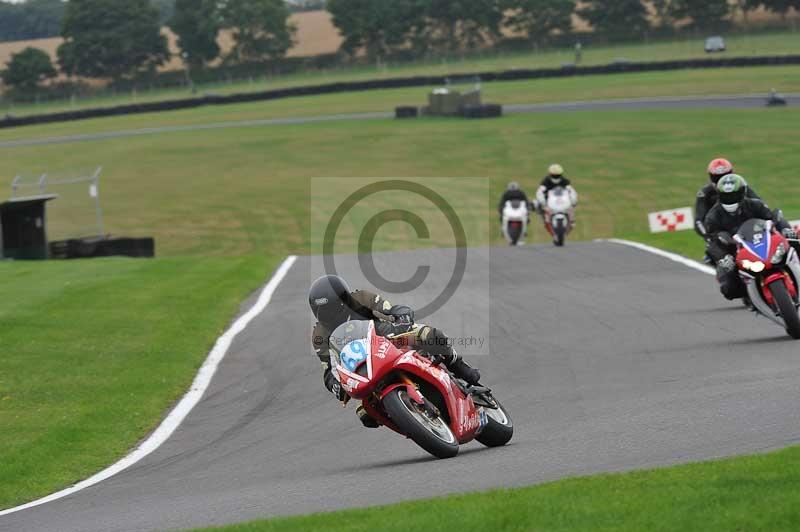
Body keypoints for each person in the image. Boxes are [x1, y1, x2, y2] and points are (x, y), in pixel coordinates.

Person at [308, 274, 481, 427]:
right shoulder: (319, 333)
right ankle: (409, 421)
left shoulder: (361, 298)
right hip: (362, 367)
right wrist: (335, 386)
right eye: (320, 311)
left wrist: (401, 315)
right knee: (364, 414)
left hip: (388, 338)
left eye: (330, 308)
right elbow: (329, 368)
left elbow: (389, 308)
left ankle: (460, 367)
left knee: (429, 334)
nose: (327, 314)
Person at [705, 174, 797, 300]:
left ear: (743, 193)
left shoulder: (755, 204)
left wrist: (786, 230)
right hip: (735, 251)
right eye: (726, 196)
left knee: (794, 242)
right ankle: (749, 296)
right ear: (719, 196)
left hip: (762, 241)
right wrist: (723, 258)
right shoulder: (713, 216)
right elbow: (712, 242)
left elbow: (774, 218)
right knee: (729, 289)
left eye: (734, 195)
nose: (730, 199)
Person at [694, 158, 762, 242]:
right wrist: (709, 237)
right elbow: (699, 221)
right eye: (717, 178)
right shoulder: (704, 194)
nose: (722, 181)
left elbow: (759, 203)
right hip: (723, 234)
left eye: (725, 176)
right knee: (714, 253)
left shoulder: (741, 186)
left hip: (746, 228)